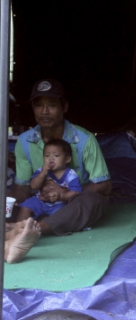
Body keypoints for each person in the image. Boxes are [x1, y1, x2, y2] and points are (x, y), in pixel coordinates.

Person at [5, 79, 112, 263]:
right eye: (39, 106)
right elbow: (22, 188)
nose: (44, 112)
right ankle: (16, 231)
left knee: (91, 200)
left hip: (72, 203)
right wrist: (8, 202)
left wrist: (65, 194)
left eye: (52, 105)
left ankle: (33, 229)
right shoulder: (24, 142)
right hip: (40, 201)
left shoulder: (84, 139)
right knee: (9, 199)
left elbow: (104, 186)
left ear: (65, 107)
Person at [17, 139, 82, 221]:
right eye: (47, 156)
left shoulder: (71, 175)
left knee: (64, 214)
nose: (51, 159)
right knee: (26, 206)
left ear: (67, 159)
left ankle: (49, 227)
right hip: (40, 201)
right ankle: (20, 227)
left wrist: (61, 196)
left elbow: (76, 193)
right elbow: (33, 186)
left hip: (60, 204)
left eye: (56, 155)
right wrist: (42, 174)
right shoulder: (42, 170)